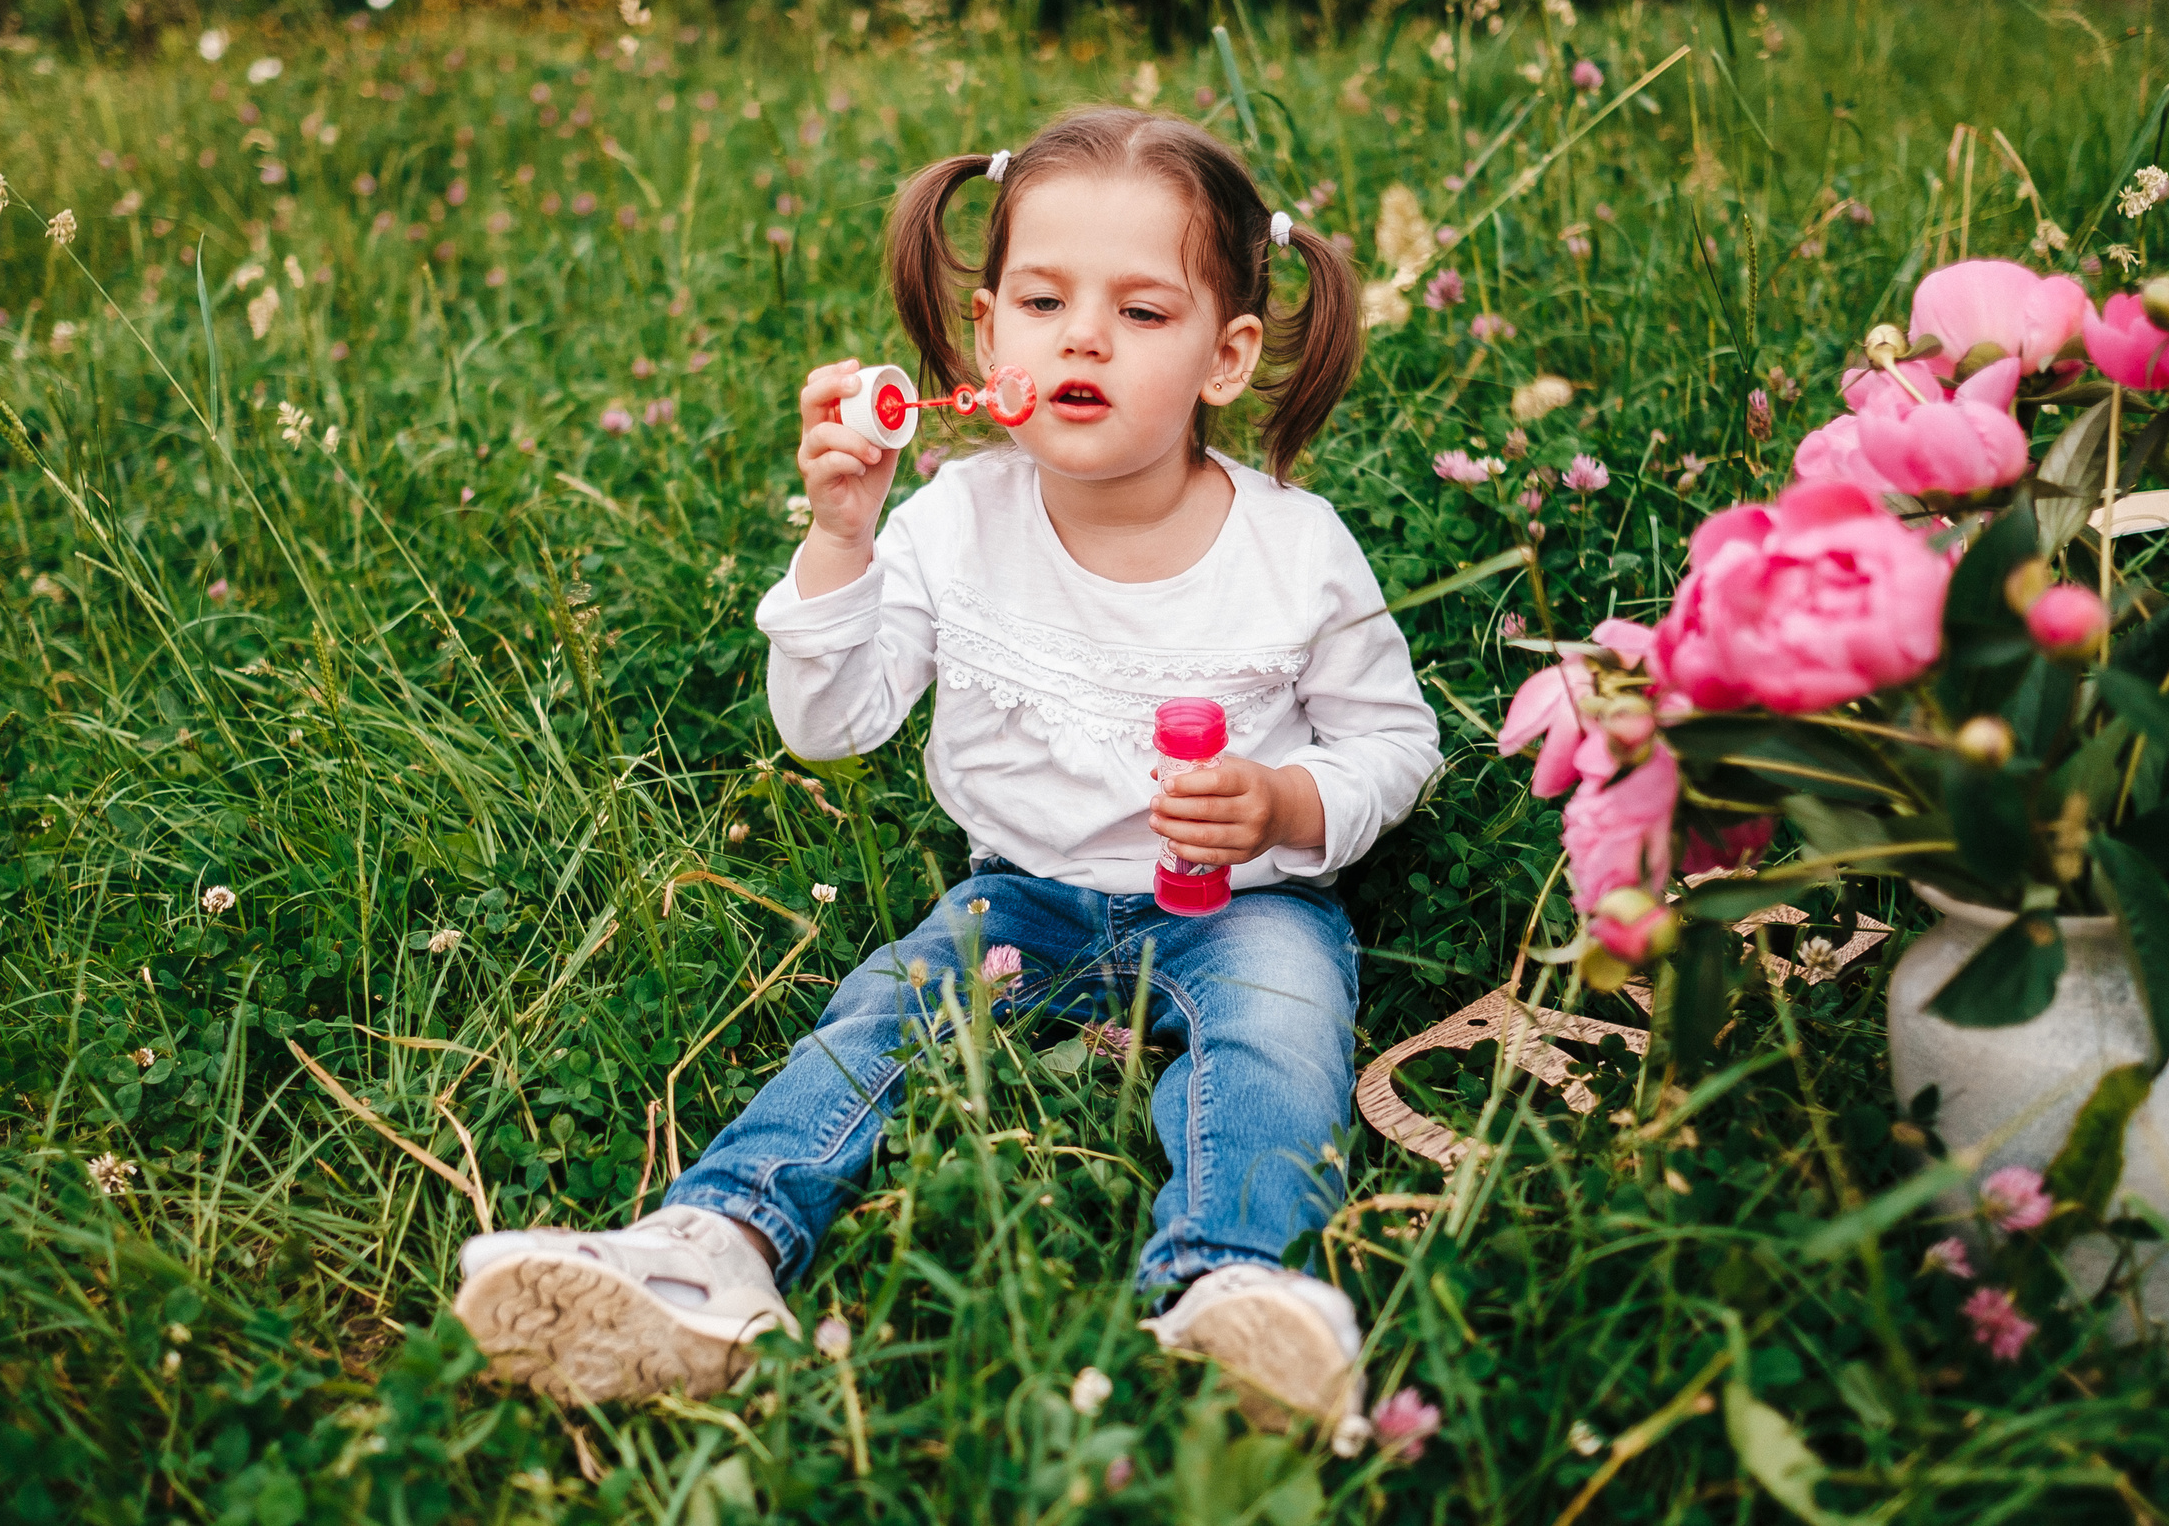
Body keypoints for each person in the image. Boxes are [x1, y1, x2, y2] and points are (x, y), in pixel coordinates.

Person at [455, 107, 1442, 1440]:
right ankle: (713, 1246)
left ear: (1228, 356)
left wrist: (1285, 805)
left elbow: (1395, 743)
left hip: (1240, 902)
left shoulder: (1298, 549)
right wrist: (841, 541)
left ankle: (1234, 1284)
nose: (1083, 338)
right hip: (1018, 897)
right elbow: (833, 725)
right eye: (1043, 302)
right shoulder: (951, 522)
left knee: (1282, 1030)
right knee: (877, 1016)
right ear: (987, 337)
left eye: (1142, 312)